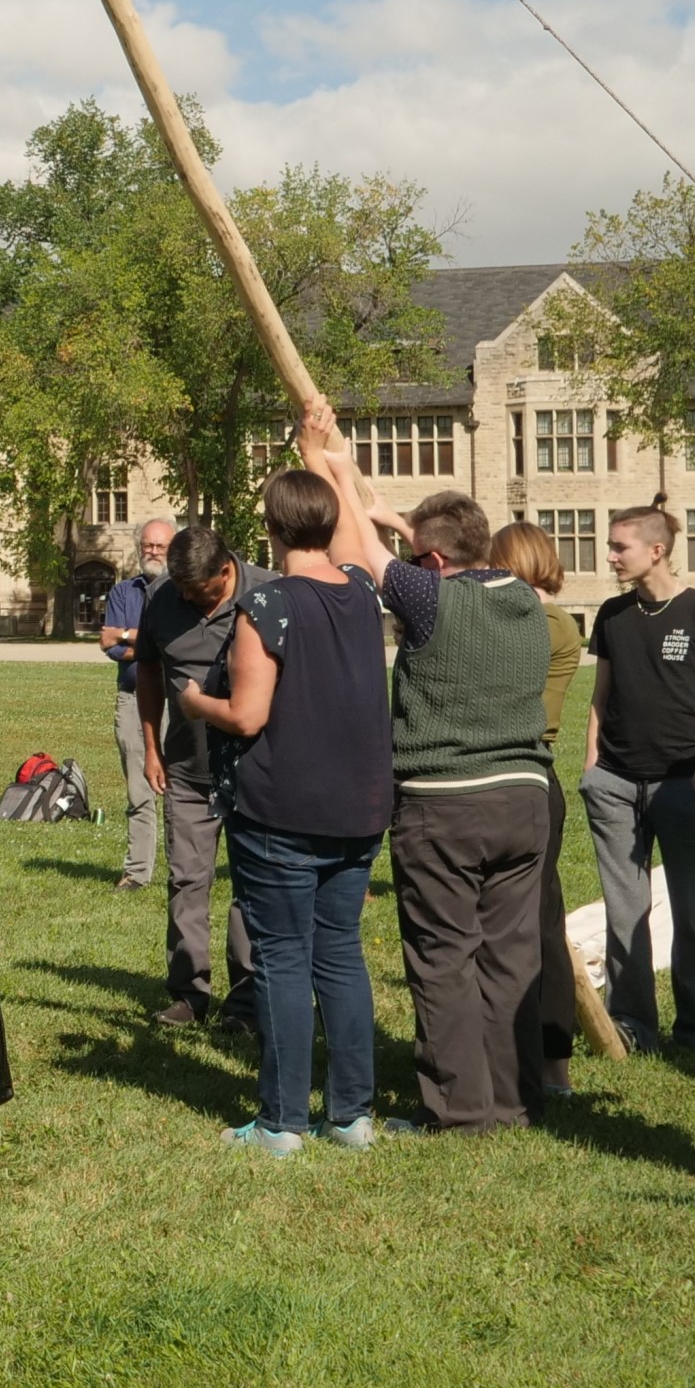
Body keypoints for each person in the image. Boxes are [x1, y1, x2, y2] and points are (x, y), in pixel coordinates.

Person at [175, 414, 390, 1153]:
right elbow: (361, 546)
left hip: (283, 811)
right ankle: (352, 1114)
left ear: (268, 530)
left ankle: (281, 1121)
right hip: (358, 808)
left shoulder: (264, 608)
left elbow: (246, 714)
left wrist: (192, 699)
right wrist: (323, 459)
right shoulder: (362, 593)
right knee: (341, 954)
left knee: (283, 961)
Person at [324, 474, 555, 1132]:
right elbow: (433, 560)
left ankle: (460, 1110)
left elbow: (370, 557)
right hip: (525, 800)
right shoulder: (527, 600)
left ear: (430, 563)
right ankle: (514, 1102)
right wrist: (403, 524)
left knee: (444, 958)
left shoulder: (429, 602)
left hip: (444, 803)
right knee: (512, 958)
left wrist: (332, 463)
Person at [580, 503, 695, 1055]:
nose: (610, 556)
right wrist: (592, 766)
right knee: (626, 915)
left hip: (682, 784)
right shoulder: (612, 614)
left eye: (619, 546)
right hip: (616, 784)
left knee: (692, 914)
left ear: (656, 550)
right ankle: (632, 1027)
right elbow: (600, 695)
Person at [136, 525, 267, 1029]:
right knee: (186, 880)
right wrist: (151, 746)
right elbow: (147, 669)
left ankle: (247, 1000)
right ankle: (189, 995)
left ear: (227, 570)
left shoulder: (268, 593)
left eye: (199, 590)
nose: (188, 597)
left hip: (253, 769)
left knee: (250, 885)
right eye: (181, 589)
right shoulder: (163, 599)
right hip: (186, 772)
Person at [488, 520, 584, 1098]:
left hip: (524, 772)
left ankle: (550, 1060)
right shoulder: (545, 618)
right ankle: (537, 1059)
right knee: (534, 920)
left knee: (539, 924)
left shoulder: (541, 621)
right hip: (528, 775)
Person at [100, 517, 176, 893]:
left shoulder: (184, 590)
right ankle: (137, 871)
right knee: (138, 790)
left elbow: (180, 644)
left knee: (181, 793)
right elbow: (110, 647)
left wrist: (130, 636)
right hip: (131, 700)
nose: (153, 552)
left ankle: (184, 871)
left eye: (161, 546)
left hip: (179, 703)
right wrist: (150, 646)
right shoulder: (122, 593)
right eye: (148, 545)